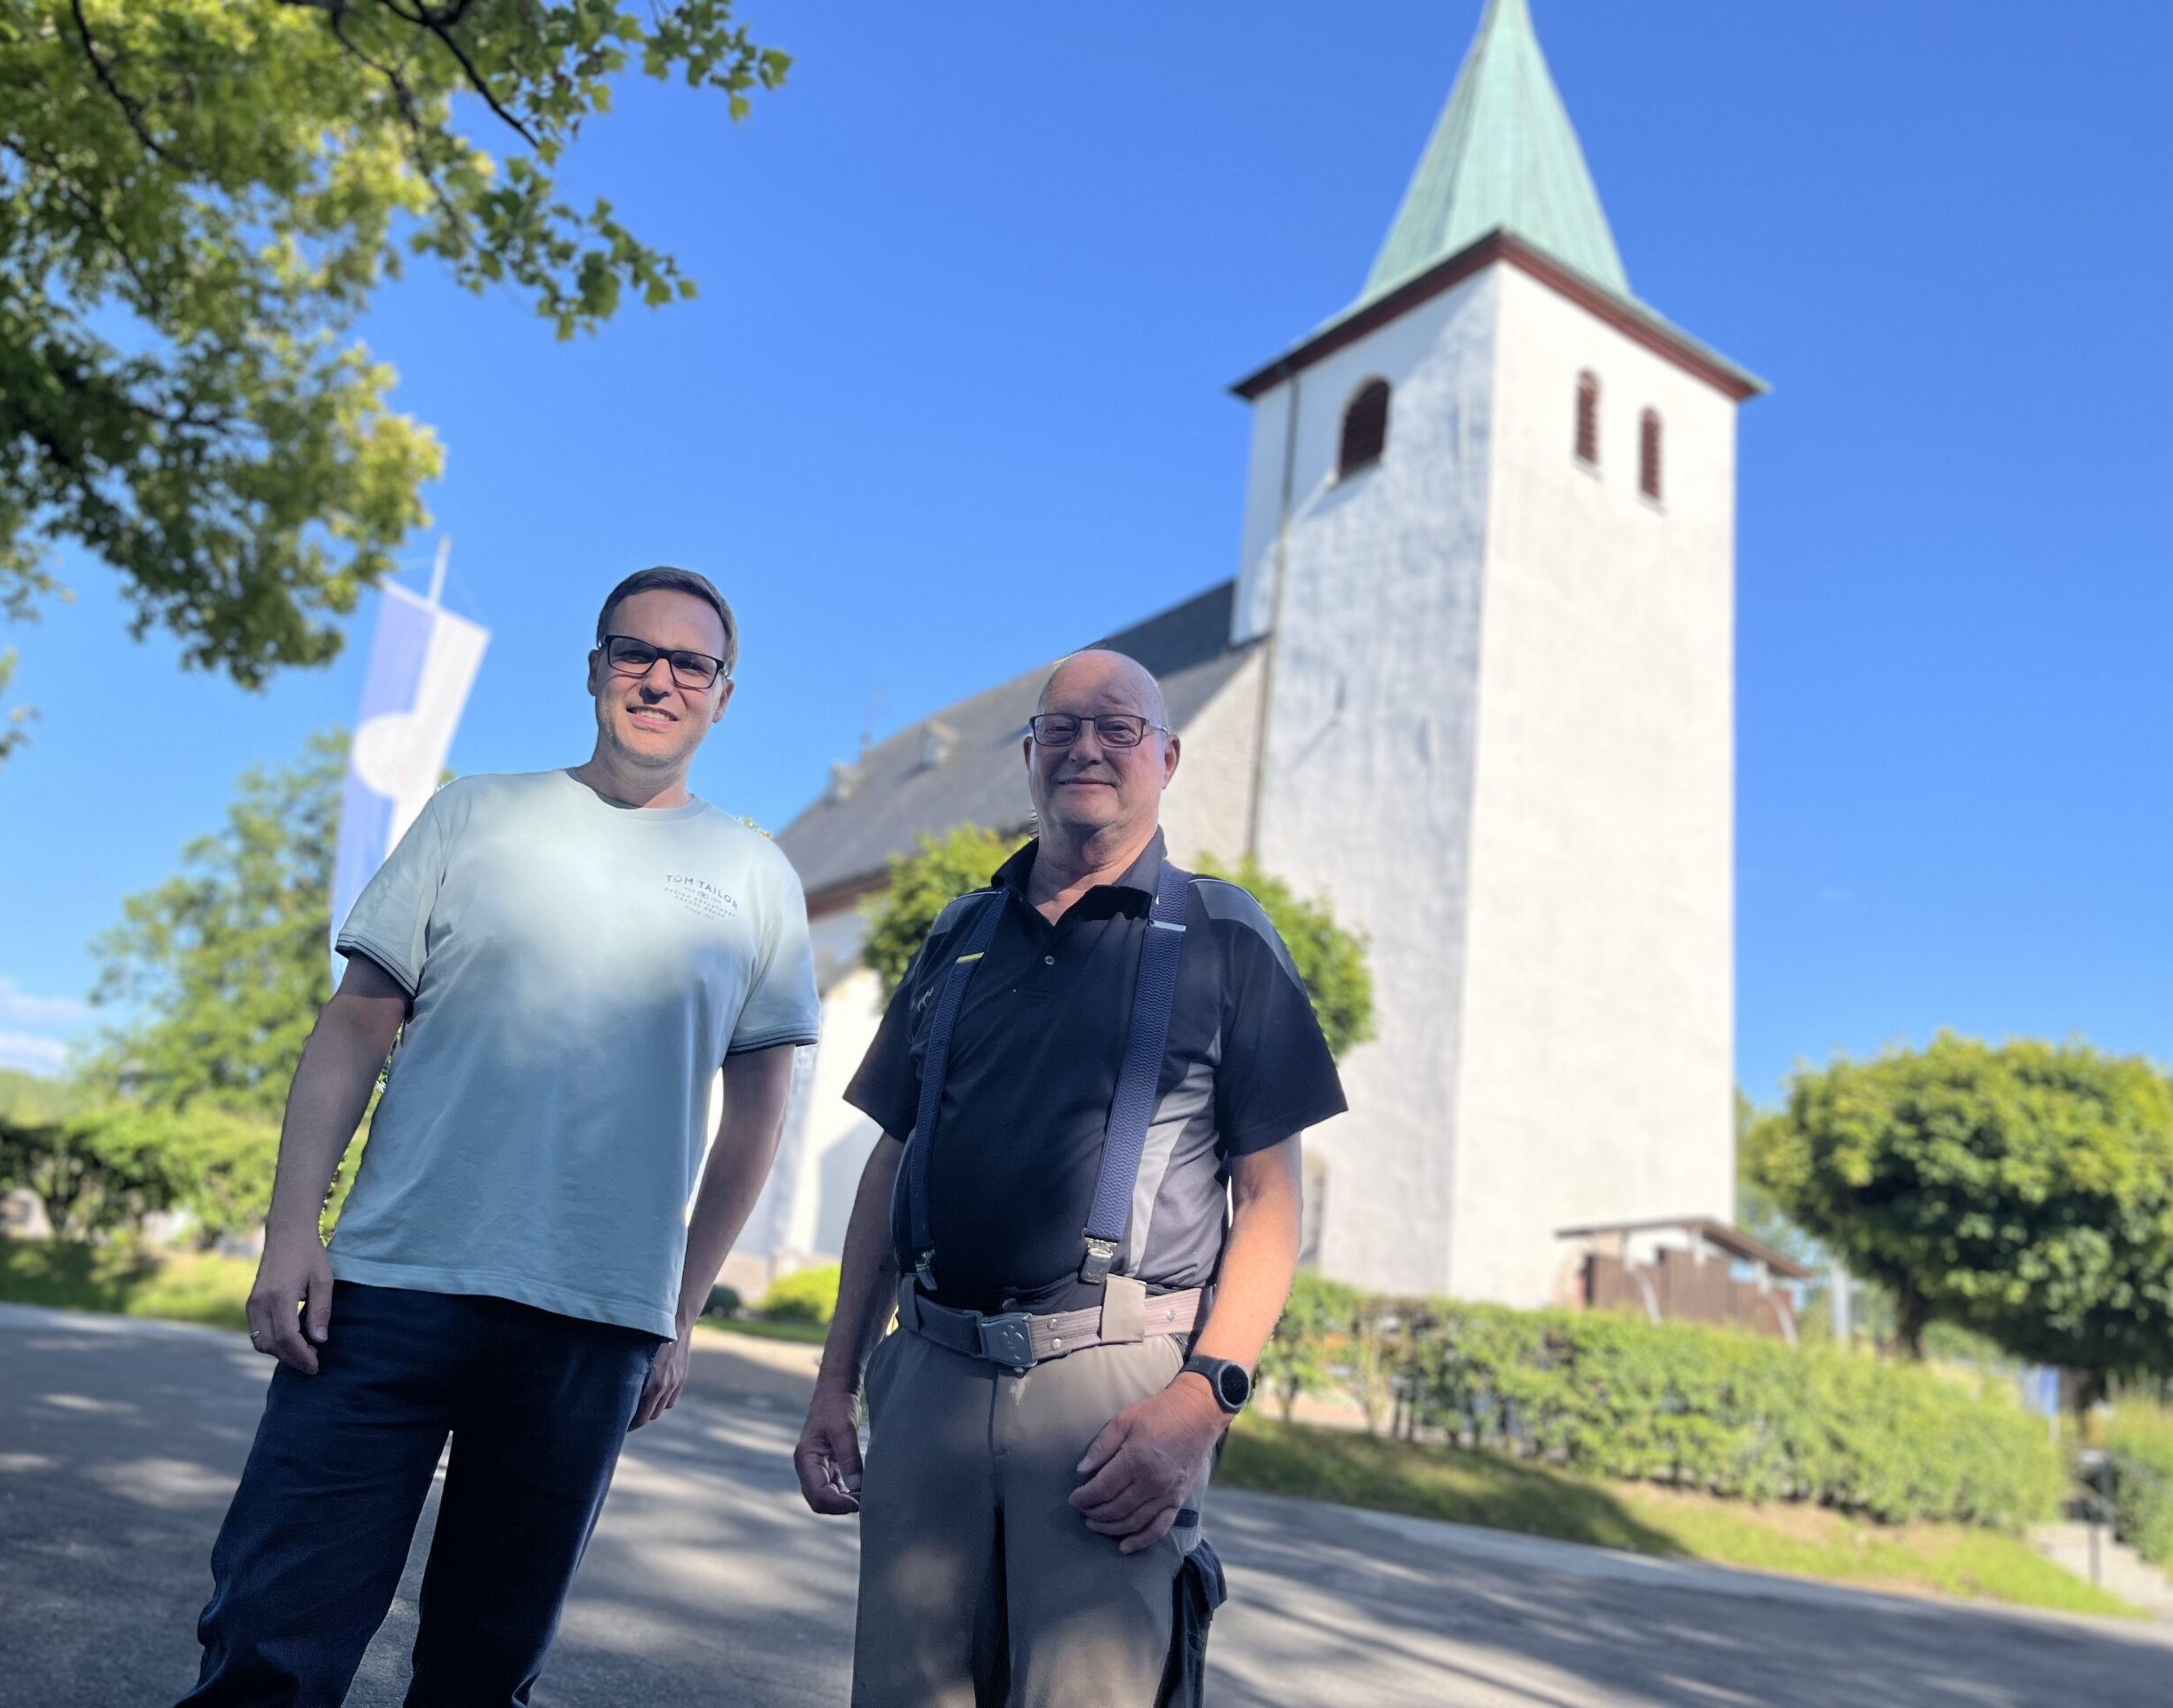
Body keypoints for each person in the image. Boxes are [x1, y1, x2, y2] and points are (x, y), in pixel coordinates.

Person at [180, 567, 819, 1707]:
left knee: (481, 1673)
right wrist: (291, 1233)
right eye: (634, 652)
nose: (659, 678)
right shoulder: (473, 811)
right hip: (386, 1290)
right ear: (591, 668)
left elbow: (758, 1116)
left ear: (724, 696)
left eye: (691, 664)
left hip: (594, 1320)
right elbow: (355, 1025)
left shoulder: (759, 879)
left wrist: (682, 1308)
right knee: (271, 1640)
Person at [794, 648, 1347, 1707]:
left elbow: (1272, 1199)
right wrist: (836, 1380)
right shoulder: (958, 934)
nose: (1086, 746)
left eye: (1119, 727)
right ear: (1028, 752)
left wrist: (1203, 1397)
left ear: (1168, 758)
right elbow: (892, 1161)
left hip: (1116, 1393)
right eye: (1060, 726)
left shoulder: (1226, 937)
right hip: (933, 1377)